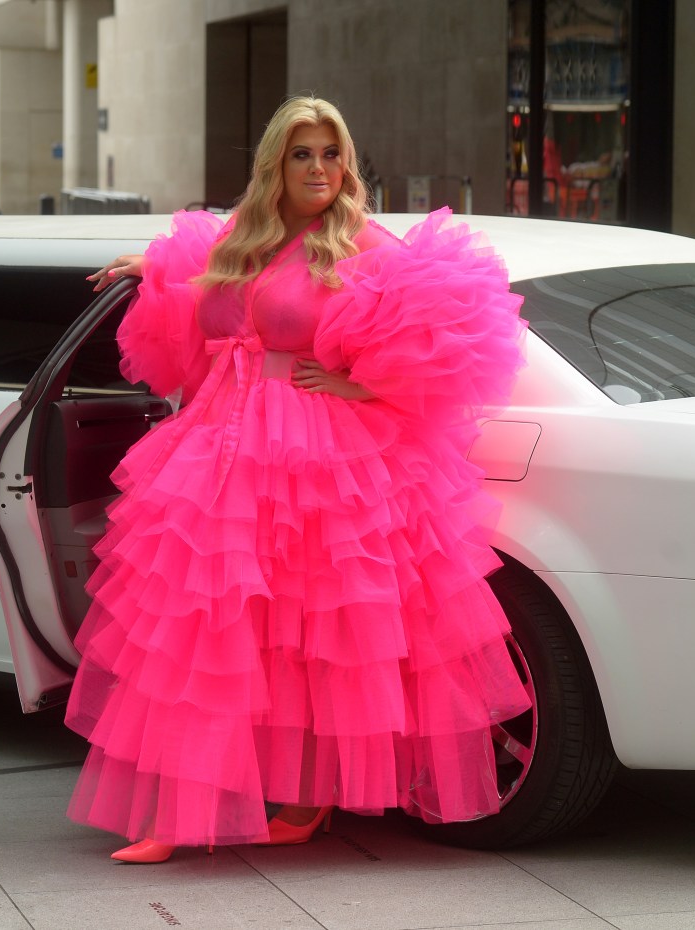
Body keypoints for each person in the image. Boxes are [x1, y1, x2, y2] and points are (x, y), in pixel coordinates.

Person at [68, 96, 531, 864]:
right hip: (220, 442)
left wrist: (364, 386)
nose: (320, 169)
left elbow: (453, 329)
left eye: (331, 154)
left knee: (315, 637)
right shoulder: (245, 237)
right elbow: (209, 288)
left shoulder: (361, 242)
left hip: (315, 456)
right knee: (205, 630)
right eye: (303, 155)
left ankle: (307, 800)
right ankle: (176, 812)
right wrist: (147, 265)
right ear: (274, 165)